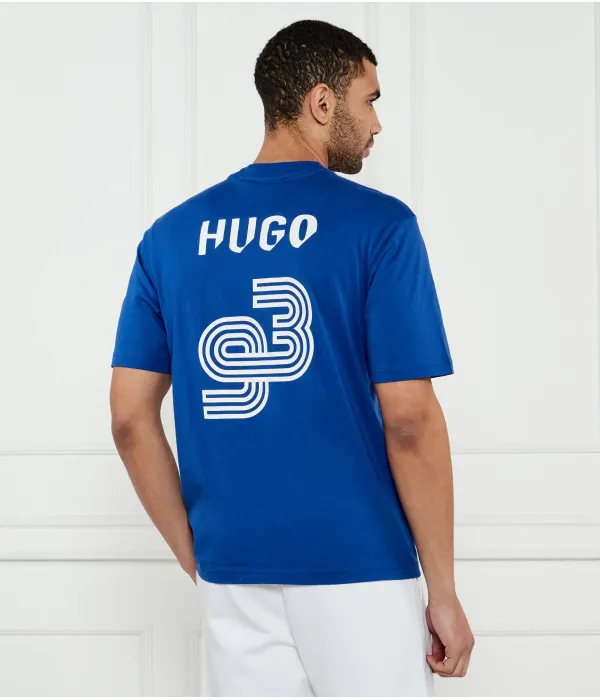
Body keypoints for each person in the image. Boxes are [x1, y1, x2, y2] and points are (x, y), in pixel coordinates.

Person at [110, 18, 474, 697]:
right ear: (322, 102)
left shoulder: (169, 238)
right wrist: (444, 590)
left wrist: (200, 559)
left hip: (233, 571)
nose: (378, 123)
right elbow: (410, 420)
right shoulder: (383, 227)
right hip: (360, 567)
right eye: (370, 100)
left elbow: (130, 418)